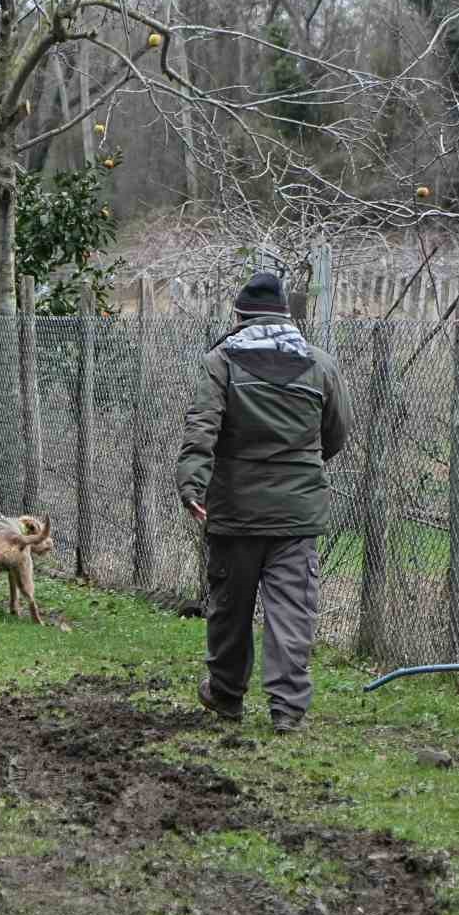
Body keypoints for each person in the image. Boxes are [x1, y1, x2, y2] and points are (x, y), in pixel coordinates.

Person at [175, 270, 351, 734]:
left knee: (231, 606)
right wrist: (298, 469)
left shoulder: (221, 362)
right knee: (292, 610)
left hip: (235, 509)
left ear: (240, 316)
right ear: (286, 317)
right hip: (297, 512)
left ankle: (227, 695)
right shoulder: (320, 364)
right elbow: (335, 435)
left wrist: (193, 484)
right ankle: (287, 709)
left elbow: (202, 426)